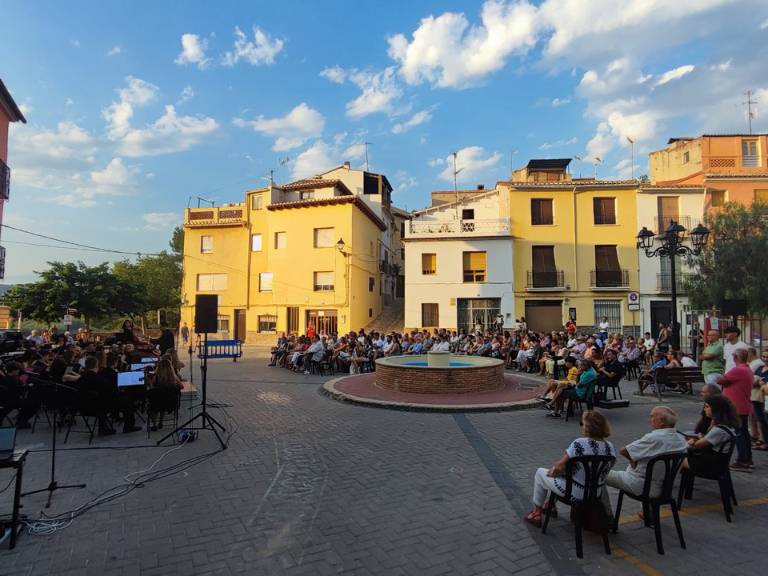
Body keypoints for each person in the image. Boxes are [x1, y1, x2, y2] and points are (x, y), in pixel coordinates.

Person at [524, 411, 615, 526]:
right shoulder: (610, 447)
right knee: (567, 474)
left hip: (576, 493)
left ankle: (537, 513)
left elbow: (559, 467)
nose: (581, 426)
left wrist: (553, 471)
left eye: (582, 423)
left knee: (541, 473)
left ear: (588, 427)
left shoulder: (579, 443)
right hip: (595, 493)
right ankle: (550, 504)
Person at [604, 406, 688, 504]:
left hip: (640, 486)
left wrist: (633, 461)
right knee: (646, 468)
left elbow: (624, 451)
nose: (650, 420)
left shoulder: (653, 438)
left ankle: (603, 512)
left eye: (652, 417)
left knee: (598, 473)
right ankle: (648, 512)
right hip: (665, 488)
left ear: (661, 421)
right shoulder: (681, 439)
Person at [684, 395, 740, 475]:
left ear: (716, 409)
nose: (704, 409)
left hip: (712, 465)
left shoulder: (719, 430)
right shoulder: (726, 426)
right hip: (717, 462)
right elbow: (708, 439)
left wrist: (692, 441)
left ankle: (675, 485)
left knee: (678, 459)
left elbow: (697, 445)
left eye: (707, 407)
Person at [717, 348, 754, 471]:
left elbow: (720, 380)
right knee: (743, 433)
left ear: (735, 358)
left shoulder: (738, 370)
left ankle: (742, 460)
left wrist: (724, 377)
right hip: (743, 405)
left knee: (738, 434)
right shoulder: (747, 369)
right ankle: (747, 459)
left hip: (736, 406)